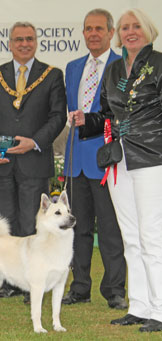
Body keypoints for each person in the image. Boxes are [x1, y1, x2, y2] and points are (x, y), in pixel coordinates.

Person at [71, 8, 162, 333]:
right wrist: (88, 121)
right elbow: (109, 117)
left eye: (136, 26)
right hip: (119, 160)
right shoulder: (114, 71)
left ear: (148, 30)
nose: (130, 31)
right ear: (119, 34)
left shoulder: (160, 64)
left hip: (152, 158)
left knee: (152, 236)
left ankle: (160, 309)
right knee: (132, 237)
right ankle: (139, 305)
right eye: (125, 27)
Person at [0, 21, 66, 300]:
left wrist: (35, 142)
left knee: (33, 224)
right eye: (18, 39)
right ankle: (8, 281)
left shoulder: (52, 75)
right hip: (2, 163)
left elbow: (57, 117)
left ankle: (33, 282)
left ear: (36, 42)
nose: (24, 44)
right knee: (6, 224)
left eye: (29, 39)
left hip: (35, 161)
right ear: (10, 43)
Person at [62, 9, 127, 310]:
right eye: (88, 29)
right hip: (76, 160)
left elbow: (121, 113)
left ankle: (114, 289)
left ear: (111, 32)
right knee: (78, 229)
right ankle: (80, 287)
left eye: (99, 29)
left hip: (108, 160)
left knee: (111, 230)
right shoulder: (73, 67)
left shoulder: (122, 66)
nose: (93, 34)